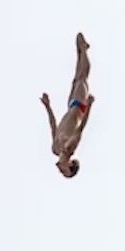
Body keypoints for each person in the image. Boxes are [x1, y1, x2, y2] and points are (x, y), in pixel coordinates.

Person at [40, 33, 94, 177]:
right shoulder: (71, 146)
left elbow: (53, 126)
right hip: (80, 106)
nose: (60, 170)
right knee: (82, 77)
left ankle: (81, 50)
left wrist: (48, 106)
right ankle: (84, 49)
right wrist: (90, 106)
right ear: (70, 164)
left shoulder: (56, 148)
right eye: (64, 171)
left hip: (71, 104)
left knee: (77, 77)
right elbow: (82, 127)